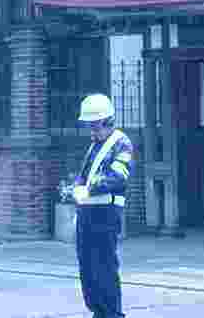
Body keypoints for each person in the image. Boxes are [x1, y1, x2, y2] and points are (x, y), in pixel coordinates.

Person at [72, 92, 132, 318]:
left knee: (104, 266)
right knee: (87, 267)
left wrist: (90, 188)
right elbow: (84, 175)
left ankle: (112, 314)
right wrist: (76, 188)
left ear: (108, 122)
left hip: (106, 213)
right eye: (89, 126)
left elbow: (118, 176)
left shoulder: (122, 143)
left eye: (95, 126)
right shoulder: (95, 145)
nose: (92, 131)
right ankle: (98, 312)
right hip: (87, 211)